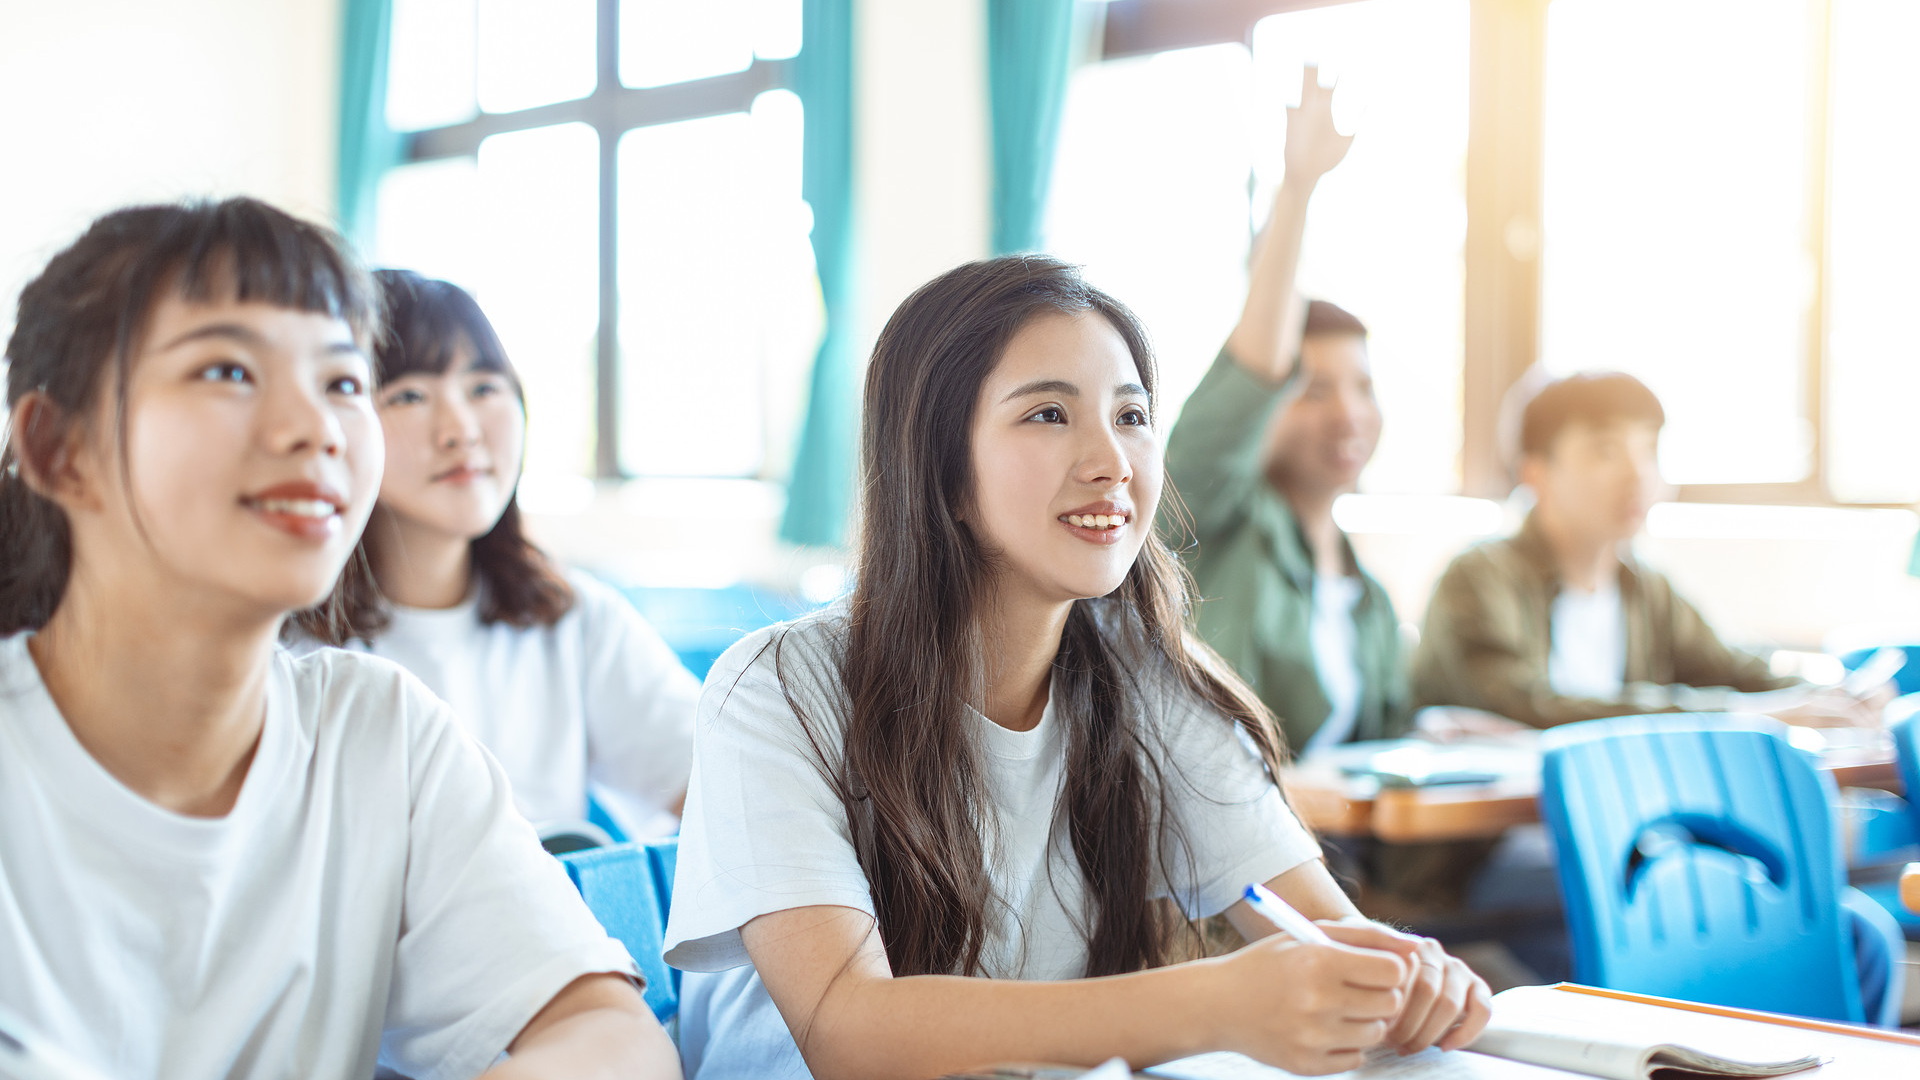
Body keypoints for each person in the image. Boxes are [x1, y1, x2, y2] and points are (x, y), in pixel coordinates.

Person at [661, 256, 1491, 1080]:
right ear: (942, 469)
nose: (1113, 461)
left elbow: (1321, 931)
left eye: (1131, 416)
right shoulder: (775, 688)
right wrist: (1215, 1003)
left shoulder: (1146, 677)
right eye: (1049, 414)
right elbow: (848, 1034)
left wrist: (1406, 980)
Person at [0, 198, 680, 1079]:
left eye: (343, 383)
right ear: (60, 451)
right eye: (227, 371)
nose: (314, 428)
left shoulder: (380, 731)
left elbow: (611, 1038)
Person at [296, 269, 698, 840]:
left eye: (484, 388)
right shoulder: (290, 645)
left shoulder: (572, 619)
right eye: (409, 395)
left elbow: (720, 785)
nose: (460, 430)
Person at [1165, 66, 1410, 754]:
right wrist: (1298, 187)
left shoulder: (1370, 598)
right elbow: (1255, 367)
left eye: (1363, 387)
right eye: (1314, 390)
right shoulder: (1210, 516)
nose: (1350, 415)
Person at [1412, 371, 1880, 728]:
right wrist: (1742, 714)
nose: (1638, 474)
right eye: (1606, 451)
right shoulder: (1477, 577)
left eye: (1650, 450)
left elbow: (1731, 667)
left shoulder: (1644, 586)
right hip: (1499, 827)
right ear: (1535, 472)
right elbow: (1523, 704)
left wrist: (1836, 693)